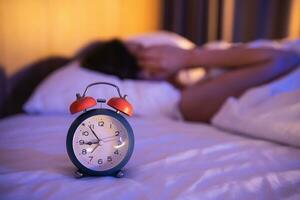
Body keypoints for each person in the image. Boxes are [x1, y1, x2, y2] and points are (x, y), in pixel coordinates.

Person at [81, 39, 300, 123]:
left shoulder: (197, 75)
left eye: (144, 47)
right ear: (142, 74)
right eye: (141, 54)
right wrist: (187, 57)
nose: (153, 49)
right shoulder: (188, 103)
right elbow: (283, 60)